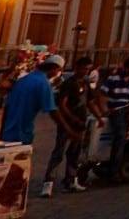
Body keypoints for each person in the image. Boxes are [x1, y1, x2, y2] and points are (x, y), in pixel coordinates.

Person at [42, 56, 100, 197]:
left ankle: (71, 181)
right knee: (59, 152)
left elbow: (90, 102)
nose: (85, 71)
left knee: (74, 153)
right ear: (76, 68)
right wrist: (72, 118)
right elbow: (62, 104)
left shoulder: (85, 83)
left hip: (80, 124)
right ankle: (48, 183)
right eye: (83, 68)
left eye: (87, 69)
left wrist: (100, 117)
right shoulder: (69, 83)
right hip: (67, 124)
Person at [0, 54, 76, 146]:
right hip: (22, 135)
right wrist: (70, 132)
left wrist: (1, 132)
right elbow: (53, 111)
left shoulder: (24, 80)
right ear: (55, 68)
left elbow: (8, 107)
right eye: (59, 71)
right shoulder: (43, 83)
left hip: (7, 134)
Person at [99, 55, 129, 181]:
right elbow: (102, 94)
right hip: (116, 110)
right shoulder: (114, 78)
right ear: (126, 67)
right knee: (120, 137)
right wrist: (105, 110)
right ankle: (114, 170)